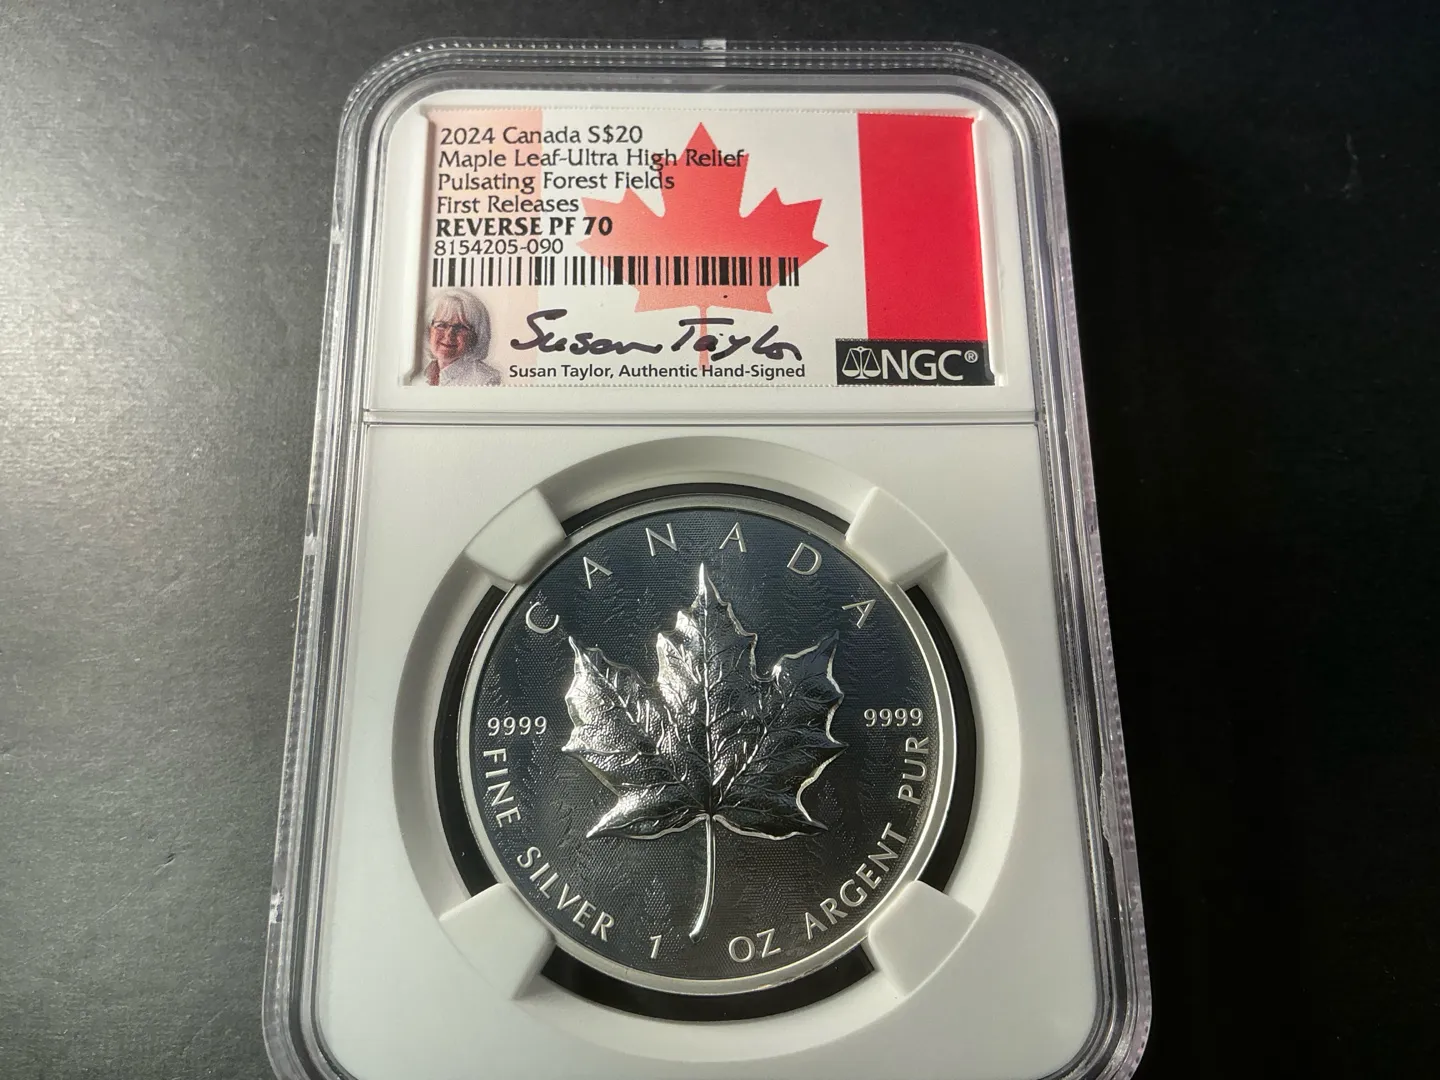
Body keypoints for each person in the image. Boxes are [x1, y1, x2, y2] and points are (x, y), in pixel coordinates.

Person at [419, 288, 502, 386]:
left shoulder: (485, 380)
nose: (449, 334)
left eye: (460, 327)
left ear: (475, 336)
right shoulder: (420, 373)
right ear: (429, 330)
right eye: (441, 325)